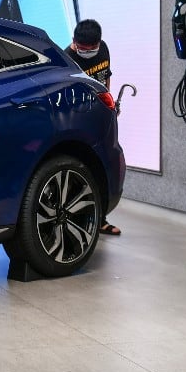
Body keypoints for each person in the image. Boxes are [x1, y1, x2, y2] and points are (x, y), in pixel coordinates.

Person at [64, 18, 121, 236]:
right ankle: (76, 219)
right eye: (83, 49)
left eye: (92, 48)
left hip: (100, 115)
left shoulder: (103, 48)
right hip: (79, 120)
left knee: (102, 167)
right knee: (81, 169)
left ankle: (100, 220)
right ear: (74, 41)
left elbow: (105, 77)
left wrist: (109, 103)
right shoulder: (67, 59)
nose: (88, 52)